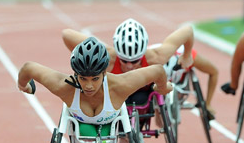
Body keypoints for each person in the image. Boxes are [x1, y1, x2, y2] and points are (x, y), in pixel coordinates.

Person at [16, 37, 172, 143]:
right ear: (75, 75)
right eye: (83, 79)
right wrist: (24, 86)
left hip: (110, 126)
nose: (89, 86)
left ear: (104, 73)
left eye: (95, 79)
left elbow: (158, 70)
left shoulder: (121, 84)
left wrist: (163, 88)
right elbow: (28, 68)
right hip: (82, 129)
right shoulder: (63, 86)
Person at [62, 19, 195, 108]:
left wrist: (187, 55)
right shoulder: (109, 57)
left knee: (158, 100)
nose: (129, 66)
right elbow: (66, 34)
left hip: (144, 92)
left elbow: (188, 30)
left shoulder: (157, 57)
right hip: (117, 93)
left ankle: (160, 112)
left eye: (135, 61)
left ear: (142, 55)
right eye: (124, 61)